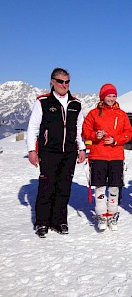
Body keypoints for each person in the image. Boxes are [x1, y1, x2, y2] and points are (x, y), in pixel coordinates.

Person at [26, 67, 86, 238]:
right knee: (47, 187)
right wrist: (32, 150)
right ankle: (42, 222)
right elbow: (33, 128)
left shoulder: (76, 103)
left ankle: (59, 221)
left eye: (67, 82)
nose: (64, 85)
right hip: (49, 152)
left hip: (69, 152)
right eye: (60, 81)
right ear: (52, 82)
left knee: (64, 187)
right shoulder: (43, 102)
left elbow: (79, 128)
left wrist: (81, 148)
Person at [82, 83, 132, 231]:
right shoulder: (94, 113)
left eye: (114, 96)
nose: (111, 99)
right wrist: (95, 135)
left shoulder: (121, 114)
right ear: (102, 97)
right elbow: (85, 131)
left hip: (116, 156)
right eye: (108, 96)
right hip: (98, 155)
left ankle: (112, 214)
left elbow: (128, 133)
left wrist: (116, 140)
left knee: (114, 188)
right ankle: (101, 215)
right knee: (100, 187)